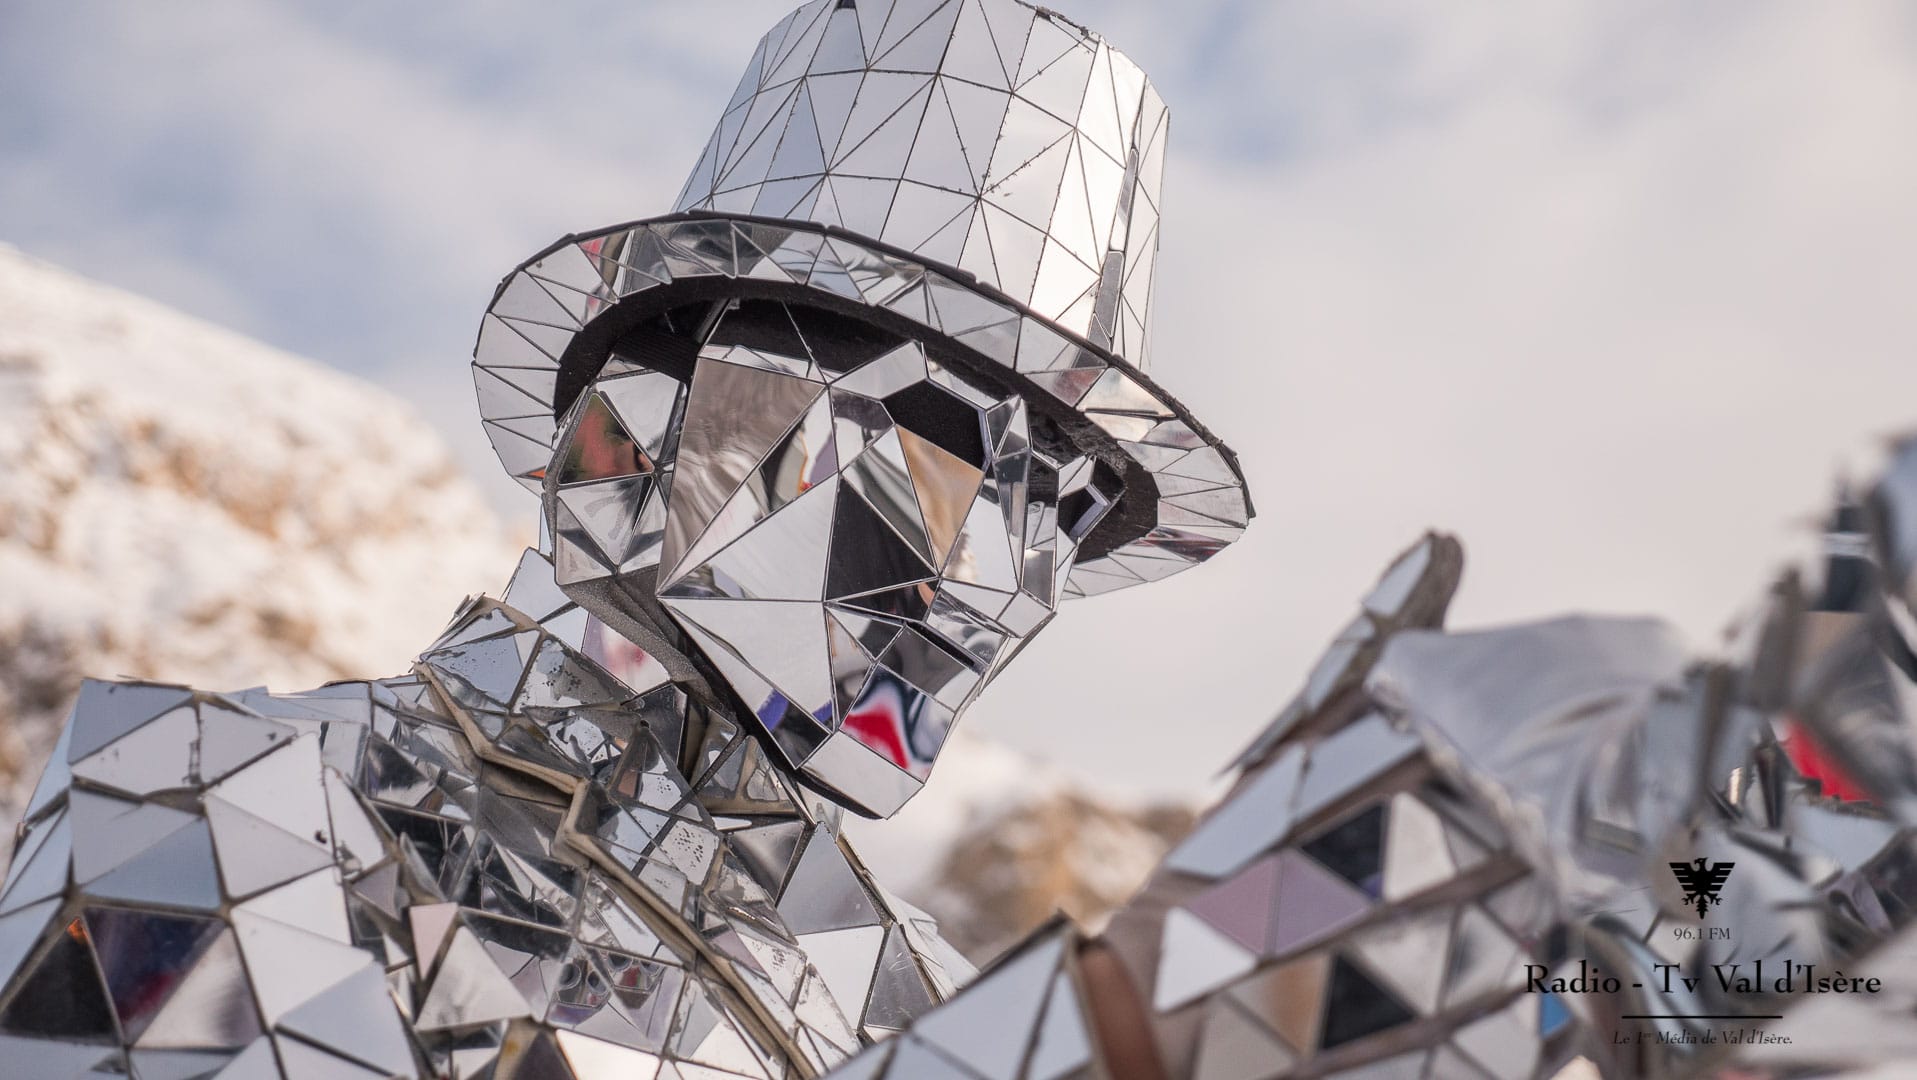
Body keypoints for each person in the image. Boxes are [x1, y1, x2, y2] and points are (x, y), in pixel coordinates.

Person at [0, 2, 1254, 1076]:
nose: (1001, 585)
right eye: (940, 457)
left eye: (1062, 517)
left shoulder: (937, 1011)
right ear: (637, 425)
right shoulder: (225, 803)